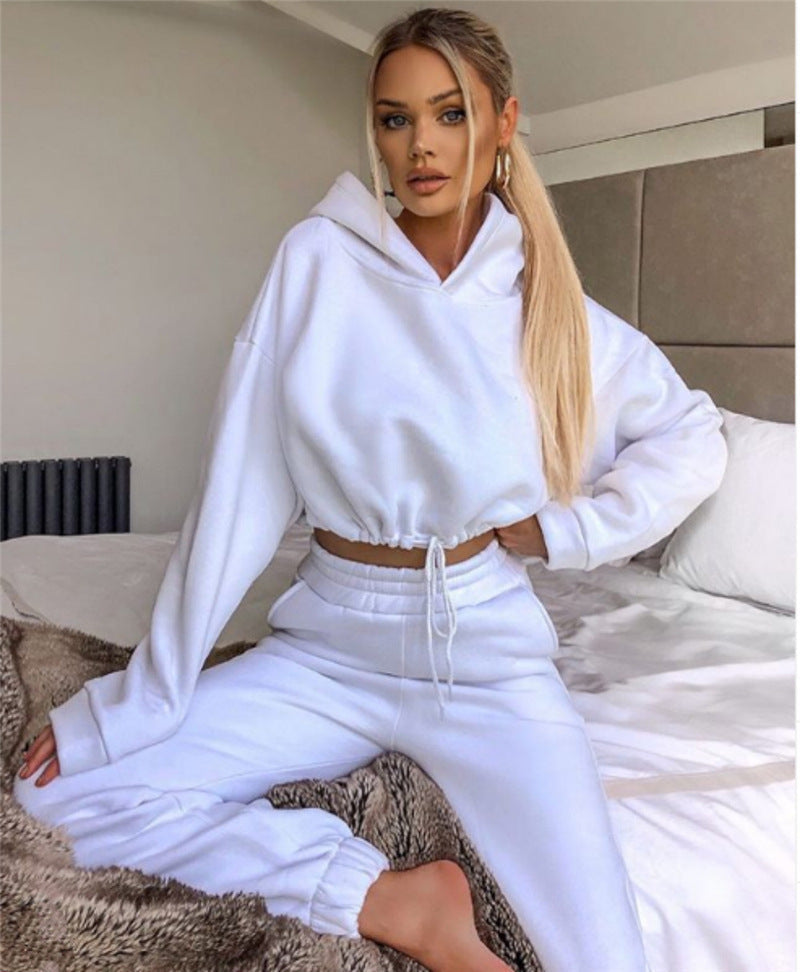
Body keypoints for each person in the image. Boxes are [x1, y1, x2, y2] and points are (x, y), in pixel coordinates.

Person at [14, 8, 728, 972]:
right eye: (397, 119)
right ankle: (392, 900)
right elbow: (235, 492)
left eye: (449, 113)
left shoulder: (550, 306)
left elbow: (693, 435)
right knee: (55, 797)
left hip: (487, 660)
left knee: (607, 956)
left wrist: (569, 531)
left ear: (504, 122)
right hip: (329, 648)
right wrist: (146, 694)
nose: (421, 144)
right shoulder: (319, 262)